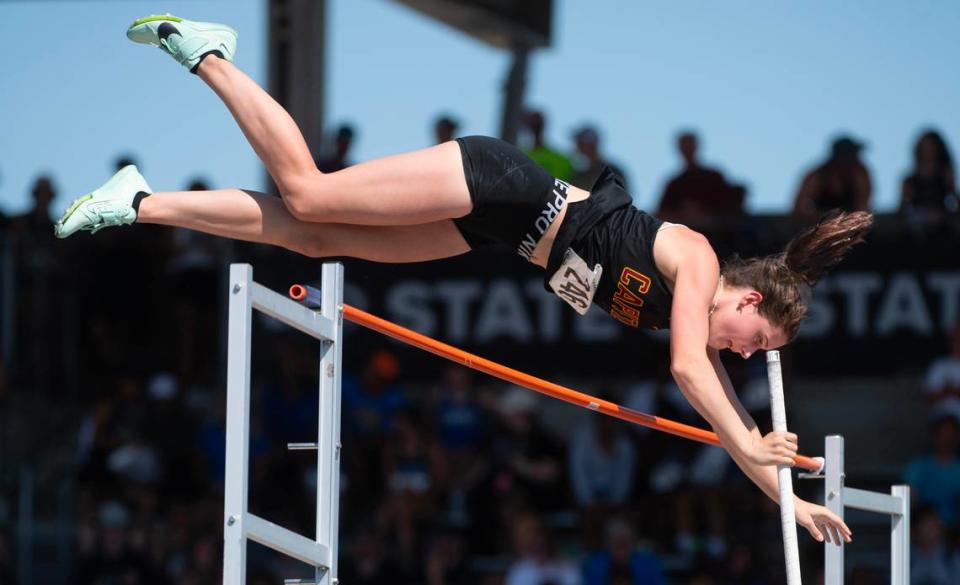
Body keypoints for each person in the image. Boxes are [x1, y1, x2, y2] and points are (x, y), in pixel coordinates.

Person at [56, 14, 867, 545]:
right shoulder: (693, 258)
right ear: (749, 299)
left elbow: (711, 394)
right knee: (309, 191)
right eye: (752, 339)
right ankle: (206, 55)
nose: (740, 350)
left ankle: (141, 200)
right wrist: (755, 444)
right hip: (505, 186)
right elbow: (692, 371)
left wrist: (782, 497)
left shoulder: (697, 314)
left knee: (311, 238)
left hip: (495, 234)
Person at [657, 132, 743, 223]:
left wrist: (704, 211)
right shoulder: (674, 184)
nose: (687, 150)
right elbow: (663, 212)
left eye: (689, 145)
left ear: (696, 146)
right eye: (684, 146)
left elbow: (728, 204)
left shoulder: (713, 177)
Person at [792, 135, 872, 219]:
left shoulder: (860, 174)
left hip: (850, 223)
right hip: (819, 224)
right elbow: (798, 206)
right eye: (852, 154)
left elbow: (863, 206)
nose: (856, 158)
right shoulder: (818, 176)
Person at [900, 129, 958, 218]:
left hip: (942, 222)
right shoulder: (910, 181)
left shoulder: (945, 176)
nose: (928, 152)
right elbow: (903, 209)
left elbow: (954, 200)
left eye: (931, 148)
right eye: (925, 149)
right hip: (917, 224)